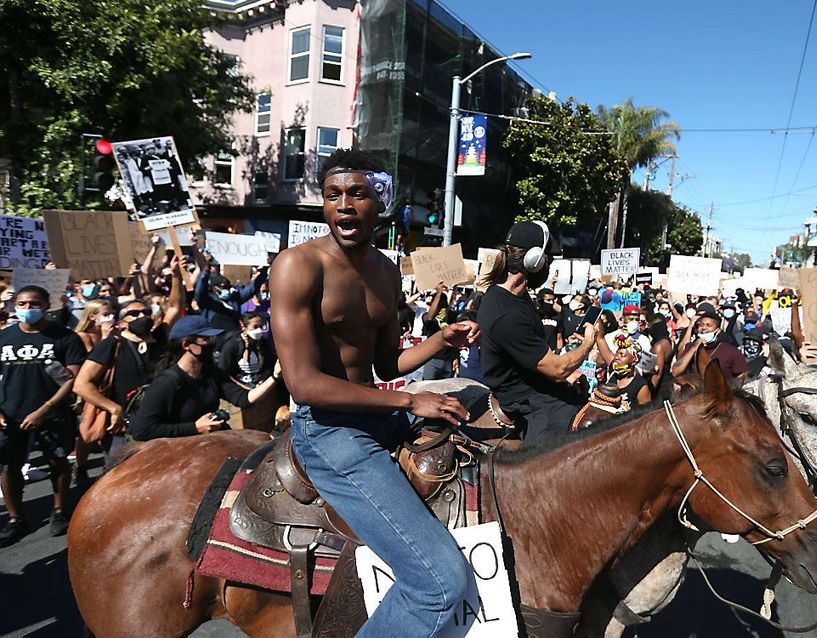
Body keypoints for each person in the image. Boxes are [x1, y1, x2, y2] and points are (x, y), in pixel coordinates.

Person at [271, 148, 479, 636]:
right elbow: (304, 386)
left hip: (379, 414)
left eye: (357, 194)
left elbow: (386, 365)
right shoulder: (297, 267)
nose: (344, 205)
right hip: (328, 432)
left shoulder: (386, 272)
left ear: (378, 203)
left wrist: (438, 341)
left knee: (481, 416)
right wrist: (410, 399)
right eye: (333, 195)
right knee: (440, 584)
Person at [477, 220, 598, 443]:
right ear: (534, 262)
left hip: (536, 383)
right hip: (525, 400)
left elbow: (532, 357)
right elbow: (557, 368)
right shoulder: (506, 315)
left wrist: (570, 375)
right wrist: (588, 343)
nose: (549, 267)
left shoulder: (518, 297)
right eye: (548, 261)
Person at [0, 286, 86, 546]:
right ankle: (16, 518)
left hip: (52, 413)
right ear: (15, 305)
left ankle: (59, 511)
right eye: (23, 303)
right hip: (11, 414)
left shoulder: (65, 338)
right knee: (9, 466)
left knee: (58, 461)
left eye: (34, 304)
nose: (28, 309)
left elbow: (70, 379)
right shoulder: (4, 337)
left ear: (47, 305)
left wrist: (45, 409)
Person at [128, 315, 281, 441]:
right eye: (206, 339)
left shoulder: (211, 373)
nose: (213, 344)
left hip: (210, 445)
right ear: (187, 345)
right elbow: (142, 430)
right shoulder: (167, 383)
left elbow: (244, 398)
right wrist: (194, 428)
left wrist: (274, 377)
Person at [670, 311, 747, 385]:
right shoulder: (690, 346)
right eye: (701, 325)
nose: (703, 328)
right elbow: (675, 371)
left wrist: (729, 390)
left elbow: (742, 375)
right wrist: (694, 348)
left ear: (718, 331)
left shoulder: (731, 351)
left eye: (708, 325)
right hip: (695, 395)